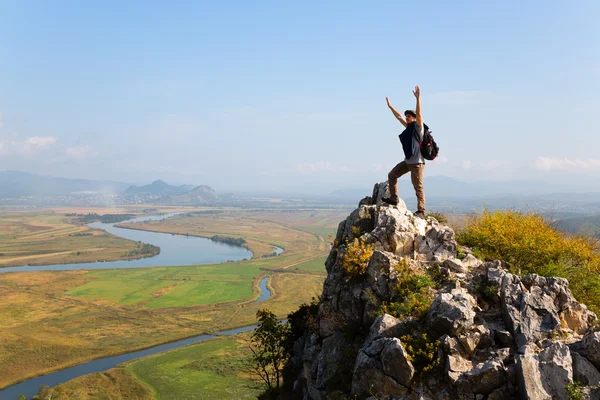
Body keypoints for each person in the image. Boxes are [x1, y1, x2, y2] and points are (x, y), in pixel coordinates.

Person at [382, 85, 426, 217]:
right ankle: (394, 198)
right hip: (408, 161)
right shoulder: (408, 127)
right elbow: (399, 117)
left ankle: (422, 211)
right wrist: (390, 107)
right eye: (407, 116)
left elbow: (419, 114)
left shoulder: (418, 127)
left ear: (414, 118)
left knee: (418, 187)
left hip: (417, 163)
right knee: (392, 175)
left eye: (409, 116)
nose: (406, 118)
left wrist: (418, 99)